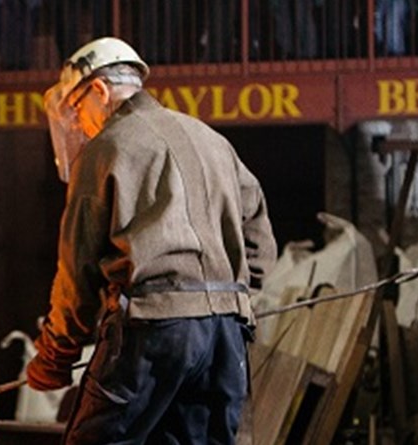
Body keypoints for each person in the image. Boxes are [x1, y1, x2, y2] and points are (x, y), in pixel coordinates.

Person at [27, 38, 277, 444]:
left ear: (99, 90)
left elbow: (77, 273)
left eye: (78, 109)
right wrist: (238, 299)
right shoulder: (211, 140)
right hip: (224, 340)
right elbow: (258, 232)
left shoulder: (105, 149)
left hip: (154, 332)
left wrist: (55, 355)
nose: (81, 123)